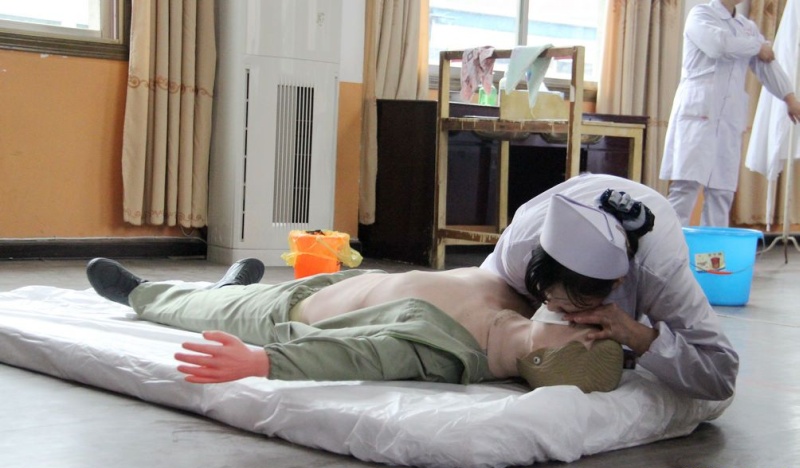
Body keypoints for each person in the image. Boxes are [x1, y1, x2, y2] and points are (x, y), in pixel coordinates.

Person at [85, 256, 626, 394]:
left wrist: (261, 361)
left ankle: (139, 291)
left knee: (198, 307)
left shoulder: (442, 353)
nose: (585, 322)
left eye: (582, 332)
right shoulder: (525, 306)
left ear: (541, 356)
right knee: (233, 294)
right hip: (348, 280)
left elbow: (354, 356)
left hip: (287, 312)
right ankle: (231, 286)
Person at [480, 172, 739, 401]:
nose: (554, 310)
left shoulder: (661, 273)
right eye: (546, 298)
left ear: (617, 283)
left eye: (569, 309)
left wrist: (637, 336)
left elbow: (720, 374)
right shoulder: (519, 246)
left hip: (654, 234)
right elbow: (481, 306)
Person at [659, 0, 800, 227]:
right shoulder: (700, 15)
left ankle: (713, 249)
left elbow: (767, 64)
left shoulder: (746, 27)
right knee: (686, 188)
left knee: (722, 193)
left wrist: (790, 98)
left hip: (728, 119)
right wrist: (757, 46)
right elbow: (718, 45)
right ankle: (670, 246)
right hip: (698, 114)